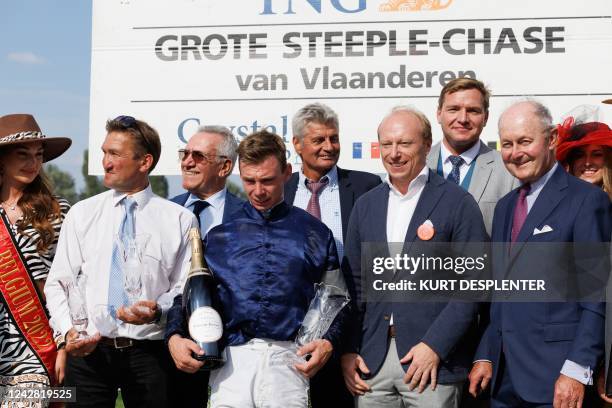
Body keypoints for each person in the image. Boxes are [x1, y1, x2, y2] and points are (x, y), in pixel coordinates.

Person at [44, 115, 196, 407]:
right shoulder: (82, 213)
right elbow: (58, 282)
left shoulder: (180, 219)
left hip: (151, 354)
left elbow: (183, 288)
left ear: (145, 161)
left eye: (114, 153)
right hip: (89, 356)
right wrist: (68, 333)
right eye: (104, 152)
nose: (105, 162)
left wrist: (157, 312)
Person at [341, 106, 488, 407]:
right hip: (372, 363)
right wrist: (348, 349)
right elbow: (354, 284)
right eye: (386, 144)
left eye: (404, 143)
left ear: (425, 143)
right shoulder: (366, 206)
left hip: (432, 365)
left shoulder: (457, 202)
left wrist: (435, 345)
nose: (394, 153)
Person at [468, 100, 612, 407]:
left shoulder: (586, 201)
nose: (515, 152)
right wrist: (486, 353)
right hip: (504, 380)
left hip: (557, 378)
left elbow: (597, 296)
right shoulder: (506, 206)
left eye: (524, 141)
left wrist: (576, 370)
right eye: (507, 144)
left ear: (551, 140)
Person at [204, 130, 345, 407]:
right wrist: (175, 335)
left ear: (287, 173)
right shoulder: (219, 235)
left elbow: (337, 299)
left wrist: (328, 341)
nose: (258, 191)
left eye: (267, 180)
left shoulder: (316, 233)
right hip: (231, 361)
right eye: (249, 181)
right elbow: (190, 298)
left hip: (290, 360)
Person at [283, 102, 380, 407]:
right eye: (318, 140)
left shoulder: (368, 187)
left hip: (350, 327)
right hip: (292, 331)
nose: (329, 147)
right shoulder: (280, 191)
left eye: (333, 138)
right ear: (297, 144)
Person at [164, 125, 243, 408]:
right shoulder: (164, 213)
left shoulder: (247, 216)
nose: (187, 161)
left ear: (224, 167)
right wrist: (172, 335)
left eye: (198, 156)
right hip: (176, 351)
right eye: (185, 154)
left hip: (235, 350)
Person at [0, 114, 71, 406]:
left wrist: (65, 342)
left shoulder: (58, 212)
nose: (33, 163)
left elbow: (68, 282)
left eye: (39, 155)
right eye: (23, 155)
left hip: (34, 350)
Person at [427, 77, 517, 234]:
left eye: (473, 111)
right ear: (439, 114)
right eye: (453, 109)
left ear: (486, 118)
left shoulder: (509, 170)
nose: (463, 119)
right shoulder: (418, 164)